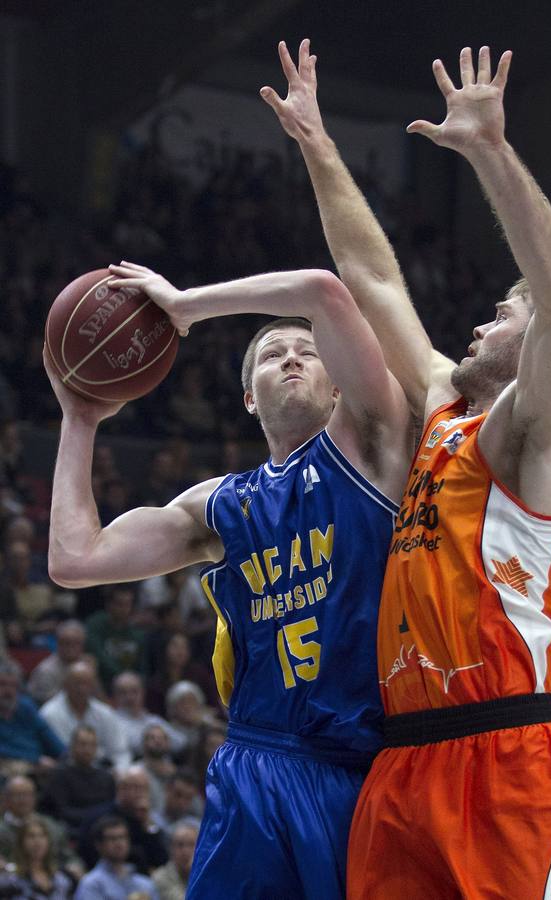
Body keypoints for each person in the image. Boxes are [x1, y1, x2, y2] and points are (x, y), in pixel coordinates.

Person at [260, 40, 551, 897]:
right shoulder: (441, 407)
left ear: (534, 345)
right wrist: (316, 143)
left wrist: (492, 153)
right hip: (403, 761)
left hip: (504, 760)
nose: (479, 324)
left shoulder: (533, 438)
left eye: (504, 313)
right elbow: (370, 276)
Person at [45, 263, 412, 898]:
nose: (292, 359)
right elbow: (75, 559)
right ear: (249, 398)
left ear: (338, 389)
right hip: (255, 764)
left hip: (361, 767)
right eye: (273, 354)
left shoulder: (374, 449)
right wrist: (79, 420)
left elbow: (323, 289)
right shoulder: (221, 505)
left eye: (309, 351)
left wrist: (187, 303)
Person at [40, 661, 131, 771]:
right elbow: (53, 753)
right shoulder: (49, 713)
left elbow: (119, 751)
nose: (81, 689)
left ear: (93, 686)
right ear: (65, 684)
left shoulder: (105, 713)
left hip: (102, 773)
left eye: (86, 684)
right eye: (77, 683)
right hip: (64, 772)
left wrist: (120, 773)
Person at [41, 725, 116, 836]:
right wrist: (93, 817)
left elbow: (111, 807)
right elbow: (62, 811)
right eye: (83, 744)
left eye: (92, 745)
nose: (87, 750)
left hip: (103, 829)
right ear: (72, 746)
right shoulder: (60, 775)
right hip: (71, 829)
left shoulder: (106, 777)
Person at [0, 659, 64, 776]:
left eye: (13, 685)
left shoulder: (26, 706)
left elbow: (48, 736)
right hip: (8, 765)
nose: (8, 691)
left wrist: (68, 758)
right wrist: (34, 759)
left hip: (35, 765)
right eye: (3, 684)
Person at [73, 816, 158, 900]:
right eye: (112, 839)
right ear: (99, 845)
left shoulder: (145, 884)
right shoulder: (92, 884)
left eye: (122, 837)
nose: (119, 843)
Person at [0, 814, 74, 900]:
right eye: (31, 836)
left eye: (42, 836)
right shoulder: (10, 880)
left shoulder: (62, 880)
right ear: (21, 842)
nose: (37, 841)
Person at [27, 621, 88, 706]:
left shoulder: (86, 665)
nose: (71, 648)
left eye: (76, 643)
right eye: (67, 643)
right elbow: (52, 707)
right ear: (58, 644)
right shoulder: (46, 670)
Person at [151, 820, 199, 900]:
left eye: (191, 844)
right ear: (171, 849)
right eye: (180, 845)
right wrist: (195, 874)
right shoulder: (160, 877)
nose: (185, 851)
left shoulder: (207, 875)